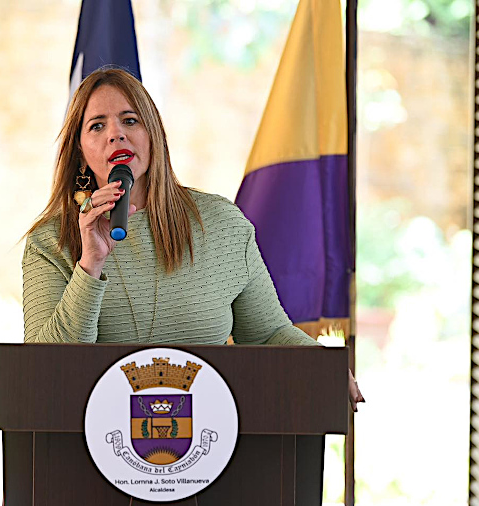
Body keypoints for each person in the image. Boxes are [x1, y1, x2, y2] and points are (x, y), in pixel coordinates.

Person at [22, 68, 364, 410]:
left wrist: (325, 365)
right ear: (81, 153)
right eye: (97, 125)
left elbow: (268, 335)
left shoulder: (221, 224)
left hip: (209, 443)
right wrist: (90, 265)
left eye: (130, 120)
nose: (116, 134)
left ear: (154, 135)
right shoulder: (50, 242)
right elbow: (43, 371)